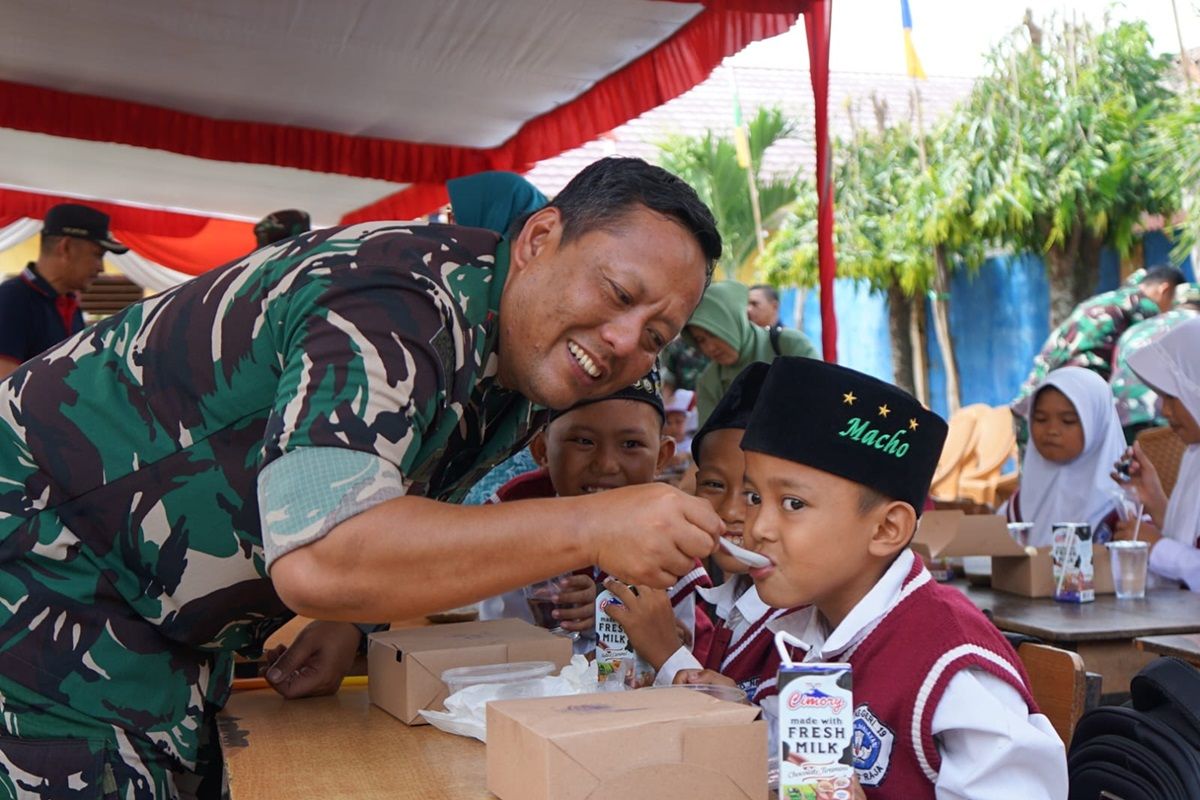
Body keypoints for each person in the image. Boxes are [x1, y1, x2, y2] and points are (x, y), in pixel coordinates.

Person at [0, 157, 726, 796]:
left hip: (143, 624)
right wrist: (593, 526)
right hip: (41, 593)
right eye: (618, 293)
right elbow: (323, 551)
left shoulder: (520, 363)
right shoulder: (397, 300)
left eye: (656, 336)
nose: (626, 342)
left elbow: (388, 494)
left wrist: (349, 617)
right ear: (538, 240)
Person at [677, 357, 1068, 799]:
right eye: (754, 496)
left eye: (792, 504)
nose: (757, 527)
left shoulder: (951, 663)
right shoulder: (806, 627)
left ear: (886, 529)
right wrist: (743, 717)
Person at [480, 367, 710, 657]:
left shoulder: (668, 534)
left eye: (631, 444)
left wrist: (613, 615)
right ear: (542, 450)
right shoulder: (515, 516)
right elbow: (499, 639)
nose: (606, 464)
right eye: (583, 441)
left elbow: (676, 652)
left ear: (661, 457)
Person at [618, 362, 803, 697]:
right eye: (715, 485)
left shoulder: (803, 624)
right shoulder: (722, 601)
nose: (731, 511)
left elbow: (769, 741)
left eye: (754, 495)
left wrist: (668, 655)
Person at [1011, 266, 1187, 439]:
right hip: (1071, 411)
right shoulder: (1143, 310)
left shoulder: (1106, 300)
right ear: (1165, 290)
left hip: (1033, 405)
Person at [1111, 317, 1200, 590]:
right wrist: (1156, 503)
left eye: (1172, 396)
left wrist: (1158, 548)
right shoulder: (1194, 456)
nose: (1164, 410)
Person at [1001, 367, 1127, 547]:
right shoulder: (1020, 505)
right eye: (1041, 419)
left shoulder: (1121, 509)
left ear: (1097, 424)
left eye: (1068, 421)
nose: (1052, 430)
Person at [0, 203, 128, 378]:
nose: (101, 267)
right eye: (97, 255)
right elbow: (4, 391)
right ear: (65, 247)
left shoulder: (69, 303)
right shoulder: (11, 300)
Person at [685, 280, 818, 424]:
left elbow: (822, 396)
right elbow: (708, 442)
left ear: (734, 321)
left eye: (714, 333)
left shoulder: (789, 345)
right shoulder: (709, 382)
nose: (710, 347)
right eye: (700, 340)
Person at [1109, 283, 1200, 442]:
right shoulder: (1193, 330)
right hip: (1170, 422)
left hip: (1119, 415)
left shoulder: (1137, 329)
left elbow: (1119, 367)